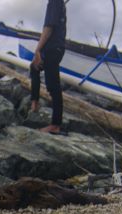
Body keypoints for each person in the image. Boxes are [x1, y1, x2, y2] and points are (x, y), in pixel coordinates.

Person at [30, 0, 67, 134]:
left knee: (53, 85)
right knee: (34, 67)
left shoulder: (55, 2)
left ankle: (55, 125)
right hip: (52, 48)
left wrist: (37, 50)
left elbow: (48, 28)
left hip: (54, 48)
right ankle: (35, 102)